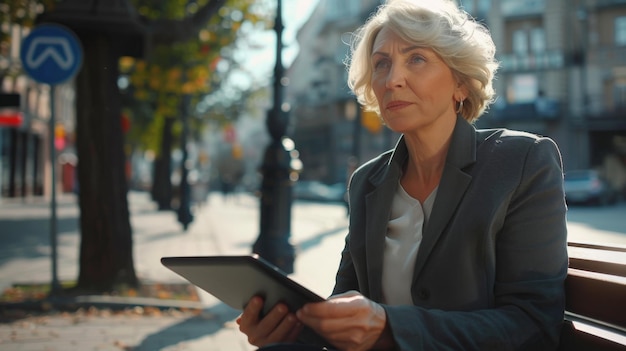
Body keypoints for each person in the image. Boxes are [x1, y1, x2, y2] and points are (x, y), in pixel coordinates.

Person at [237, 0, 568, 350]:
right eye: (381, 64)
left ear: (461, 83)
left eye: (417, 59)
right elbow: (345, 309)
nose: (393, 79)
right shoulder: (367, 181)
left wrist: (390, 326)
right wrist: (290, 330)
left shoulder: (521, 160)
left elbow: (534, 324)